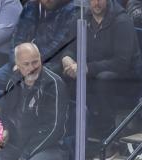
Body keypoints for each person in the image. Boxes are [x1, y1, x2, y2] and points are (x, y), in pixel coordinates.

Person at [0, 43, 69, 160]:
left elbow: (54, 128)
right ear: (17, 65)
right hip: (18, 143)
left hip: (51, 147)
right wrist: (4, 129)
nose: (31, 68)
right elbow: (5, 113)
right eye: (26, 64)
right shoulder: (13, 80)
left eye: (35, 62)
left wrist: (25, 156)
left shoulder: (54, 84)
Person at [61, 0, 142, 150]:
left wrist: (86, 68)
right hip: (91, 73)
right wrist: (67, 59)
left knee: (104, 79)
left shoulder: (122, 21)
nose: (96, 3)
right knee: (61, 73)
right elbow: (69, 47)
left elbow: (121, 63)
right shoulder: (81, 19)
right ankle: (68, 133)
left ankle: (109, 138)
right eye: (93, 0)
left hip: (126, 79)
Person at [0, 0, 77, 95]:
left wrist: (30, 64)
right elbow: (17, 37)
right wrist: (17, 62)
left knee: (34, 82)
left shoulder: (72, 10)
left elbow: (57, 45)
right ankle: (8, 108)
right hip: (22, 61)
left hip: (48, 62)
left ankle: (28, 108)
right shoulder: (31, 6)